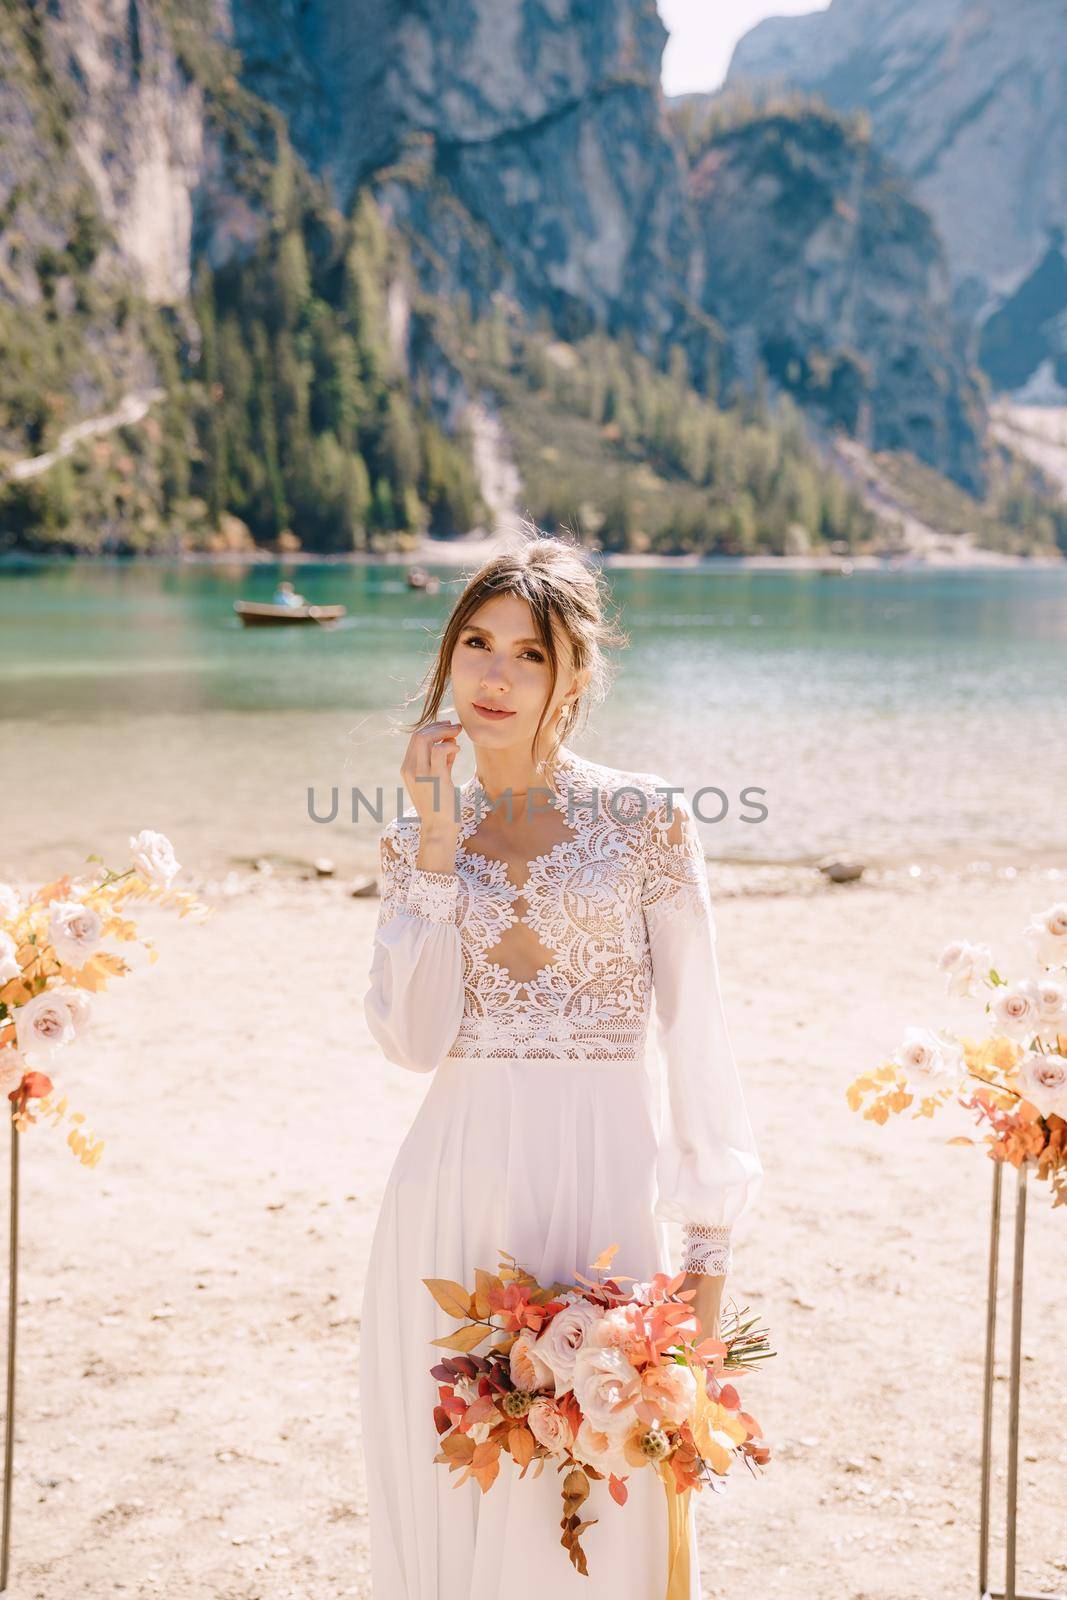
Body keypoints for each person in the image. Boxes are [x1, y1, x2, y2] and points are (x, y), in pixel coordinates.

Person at [359, 526, 763, 1599]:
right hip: (450, 1197)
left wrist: (708, 1256)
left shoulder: (645, 819)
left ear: (572, 671)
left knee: (600, 1500)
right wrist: (437, 844)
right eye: (477, 644)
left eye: (528, 652)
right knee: (460, 1494)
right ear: (448, 659)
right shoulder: (414, 838)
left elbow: (698, 1039)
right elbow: (409, 1041)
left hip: (602, 1192)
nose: (495, 675)